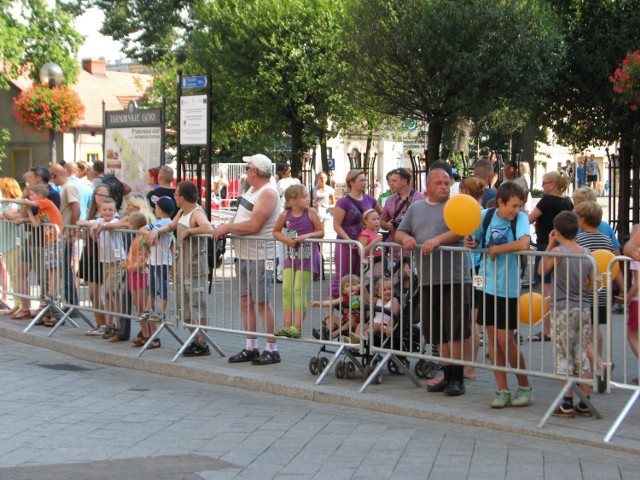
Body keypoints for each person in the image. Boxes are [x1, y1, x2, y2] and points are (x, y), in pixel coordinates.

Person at [395, 168, 471, 397]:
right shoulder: (416, 207)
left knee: (455, 328)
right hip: (428, 277)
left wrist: (437, 240)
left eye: (447, 182)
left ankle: (458, 378)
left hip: (454, 276)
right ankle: (446, 374)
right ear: (427, 186)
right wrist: (406, 238)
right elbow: (400, 232)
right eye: (439, 183)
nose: (444, 186)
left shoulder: (455, 206)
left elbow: (461, 230)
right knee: (437, 330)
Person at [466, 182, 533, 408]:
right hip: (486, 284)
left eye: (520, 206)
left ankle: (524, 386)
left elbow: (524, 243)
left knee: (507, 340)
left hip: (508, 287)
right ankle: (502, 389)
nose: (516, 210)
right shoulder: (486, 215)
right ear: (501, 202)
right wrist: (471, 242)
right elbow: (473, 240)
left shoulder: (520, 219)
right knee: (493, 339)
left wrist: (497, 249)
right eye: (513, 206)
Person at [213, 154, 282, 365]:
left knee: (262, 301)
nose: (245, 169)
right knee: (246, 300)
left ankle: (272, 348)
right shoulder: (251, 190)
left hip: (261, 255)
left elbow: (254, 226)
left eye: (247, 166)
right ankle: (250, 346)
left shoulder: (268, 193)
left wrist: (227, 227)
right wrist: (229, 226)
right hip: (244, 253)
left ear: (255, 171)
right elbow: (240, 216)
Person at [147, 181, 213, 356]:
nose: (175, 197)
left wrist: (189, 232)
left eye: (176, 195)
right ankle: (193, 339)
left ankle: (203, 342)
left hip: (194, 267)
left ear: (182, 197)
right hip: (182, 266)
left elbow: (208, 227)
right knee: (186, 306)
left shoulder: (197, 212)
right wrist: (156, 231)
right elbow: (170, 226)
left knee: (197, 304)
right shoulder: (183, 211)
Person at [538, 211, 595, 417]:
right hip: (583, 307)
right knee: (581, 353)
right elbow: (591, 284)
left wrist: (549, 244)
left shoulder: (558, 252)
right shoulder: (587, 253)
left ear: (557, 231)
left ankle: (567, 401)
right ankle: (586, 401)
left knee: (564, 355)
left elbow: (541, 270)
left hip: (562, 308)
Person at [3, 184, 63, 326]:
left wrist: (6, 199)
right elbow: (36, 223)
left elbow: (25, 202)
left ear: (40, 195)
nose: (29, 197)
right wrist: (28, 212)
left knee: (53, 268)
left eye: (32, 194)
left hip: (55, 239)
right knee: (49, 268)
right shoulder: (42, 210)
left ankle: (51, 293)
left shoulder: (46, 202)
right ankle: (49, 302)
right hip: (49, 241)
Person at [574, 201, 616, 393]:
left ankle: (599, 366)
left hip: (587, 294)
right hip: (603, 292)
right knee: (592, 330)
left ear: (582, 220)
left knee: (583, 336)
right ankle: (592, 367)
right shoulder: (606, 240)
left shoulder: (580, 242)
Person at [272, 184, 323, 339]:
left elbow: (321, 232)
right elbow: (275, 231)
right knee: (287, 289)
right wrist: (286, 240)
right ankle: (287, 325)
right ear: (292, 201)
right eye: (304, 197)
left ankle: (297, 326)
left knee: (299, 289)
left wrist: (305, 237)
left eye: (308, 196)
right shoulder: (285, 214)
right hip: (292, 253)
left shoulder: (311, 213)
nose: (308, 199)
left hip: (307, 254)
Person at [528, 170, 573, 342]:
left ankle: (547, 329)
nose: (542, 186)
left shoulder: (547, 201)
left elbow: (530, 218)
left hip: (546, 246)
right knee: (560, 289)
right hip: (564, 248)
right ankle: (560, 326)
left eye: (544, 182)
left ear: (552, 185)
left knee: (545, 289)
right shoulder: (568, 202)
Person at [330, 169, 381, 298]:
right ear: (351, 182)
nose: (364, 183)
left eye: (365, 180)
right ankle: (329, 311)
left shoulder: (370, 199)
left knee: (359, 278)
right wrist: (349, 241)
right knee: (343, 277)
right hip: (347, 245)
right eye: (361, 180)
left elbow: (381, 214)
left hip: (364, 244)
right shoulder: (343, 202)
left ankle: (353, 313)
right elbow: (337, 225)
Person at [82, 197, 126, 338]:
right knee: (114, 293)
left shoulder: (115, 221)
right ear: (100, 211)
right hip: (105, 261)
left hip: (118, 261)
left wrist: (103, 226)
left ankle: (115, 323)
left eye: (110, 210)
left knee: (108, 291)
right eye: (105, 210)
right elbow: (79, 222)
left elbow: (118, 225)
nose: (107, 212)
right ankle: (112, 324)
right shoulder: (99, 221)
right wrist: (94, 225)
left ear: (115, 211)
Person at [78, 184, 112, 335]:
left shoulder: (110, 214)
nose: (102, 198)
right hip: (90, 253)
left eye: (105, 196)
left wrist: (91, 224)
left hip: (104, 255)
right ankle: (100, 323)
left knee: (108, 292)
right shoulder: (91, 211)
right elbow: (80, 225)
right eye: (99, 195)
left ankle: (108, 324)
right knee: (92, 293)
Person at [119, 212, 153, 348]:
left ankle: (149, 333)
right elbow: (131, 254)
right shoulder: (136, 238)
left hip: (141, 273)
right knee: (138, 305)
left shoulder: (143, 238)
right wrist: (126, 262)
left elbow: (147, 255)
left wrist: (140, 264)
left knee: (143, 304)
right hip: (132, 271)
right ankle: (144, 334)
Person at [140, 197, 175, 329]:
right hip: (153, 260)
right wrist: (150, 233)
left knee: (163, 286)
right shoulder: (156, 222)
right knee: (153, 286)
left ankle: (162, 311)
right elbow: (142, 229)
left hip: (163, 260)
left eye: (156, 206)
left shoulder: (166, 222)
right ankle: (148, 309)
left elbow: (154, 232)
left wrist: (150, 233)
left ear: (160, 209)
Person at [49, 163, 80, 309]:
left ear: (55, 174)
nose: (51, 179)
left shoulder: (69, 187)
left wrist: (72, 230)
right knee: (63, 268)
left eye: (51, 175)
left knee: (65, 269)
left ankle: (72, 304)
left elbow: (76, 208)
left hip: (66, 233)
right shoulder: (64, 188)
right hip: (62, 233)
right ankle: (70, 303)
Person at [310, 274, 369, 341]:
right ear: (343, 290)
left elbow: (369, 301)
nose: (351, 287)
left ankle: (333, 334)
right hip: (345, 322)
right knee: (333, 318)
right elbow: (331, 302)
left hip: (357, 325)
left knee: (351, 322)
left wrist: (363, 291)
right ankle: (326, 333)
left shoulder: (360, 297)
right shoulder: (343, 298)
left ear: (359, 286)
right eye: (347, 286)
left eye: (354, 285)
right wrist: (318, 303)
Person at [379, 167, 422, 254]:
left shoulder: (420, 198)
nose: (391, 183)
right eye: (390, 181)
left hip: (412, 248)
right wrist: (387, 225)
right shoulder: (390, 200)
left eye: (394, 181)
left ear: (404, 182)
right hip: (393, 248)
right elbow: (382, 222)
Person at [0, 178, 23, 315]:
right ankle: (17, 303)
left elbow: (11, 215)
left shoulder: (16, 202)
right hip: (6, 243)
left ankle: (21, 304)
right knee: (12, 274)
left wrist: (3, 214)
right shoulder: (5, 204)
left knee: (16, 274)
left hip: (14, 243)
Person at [353, 277, 399, 346]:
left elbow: (394, 314)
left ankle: (363, 338)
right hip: (374, 325)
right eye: (384, 290)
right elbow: (368, 299)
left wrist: (389, 326)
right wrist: (363, 289)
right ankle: (355, 342)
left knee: (375, 325)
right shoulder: (378, 300)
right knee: (361, 325)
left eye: (390, 289)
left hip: (385, 326)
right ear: (378, 293)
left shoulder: (394, 300)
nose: (388, 291)